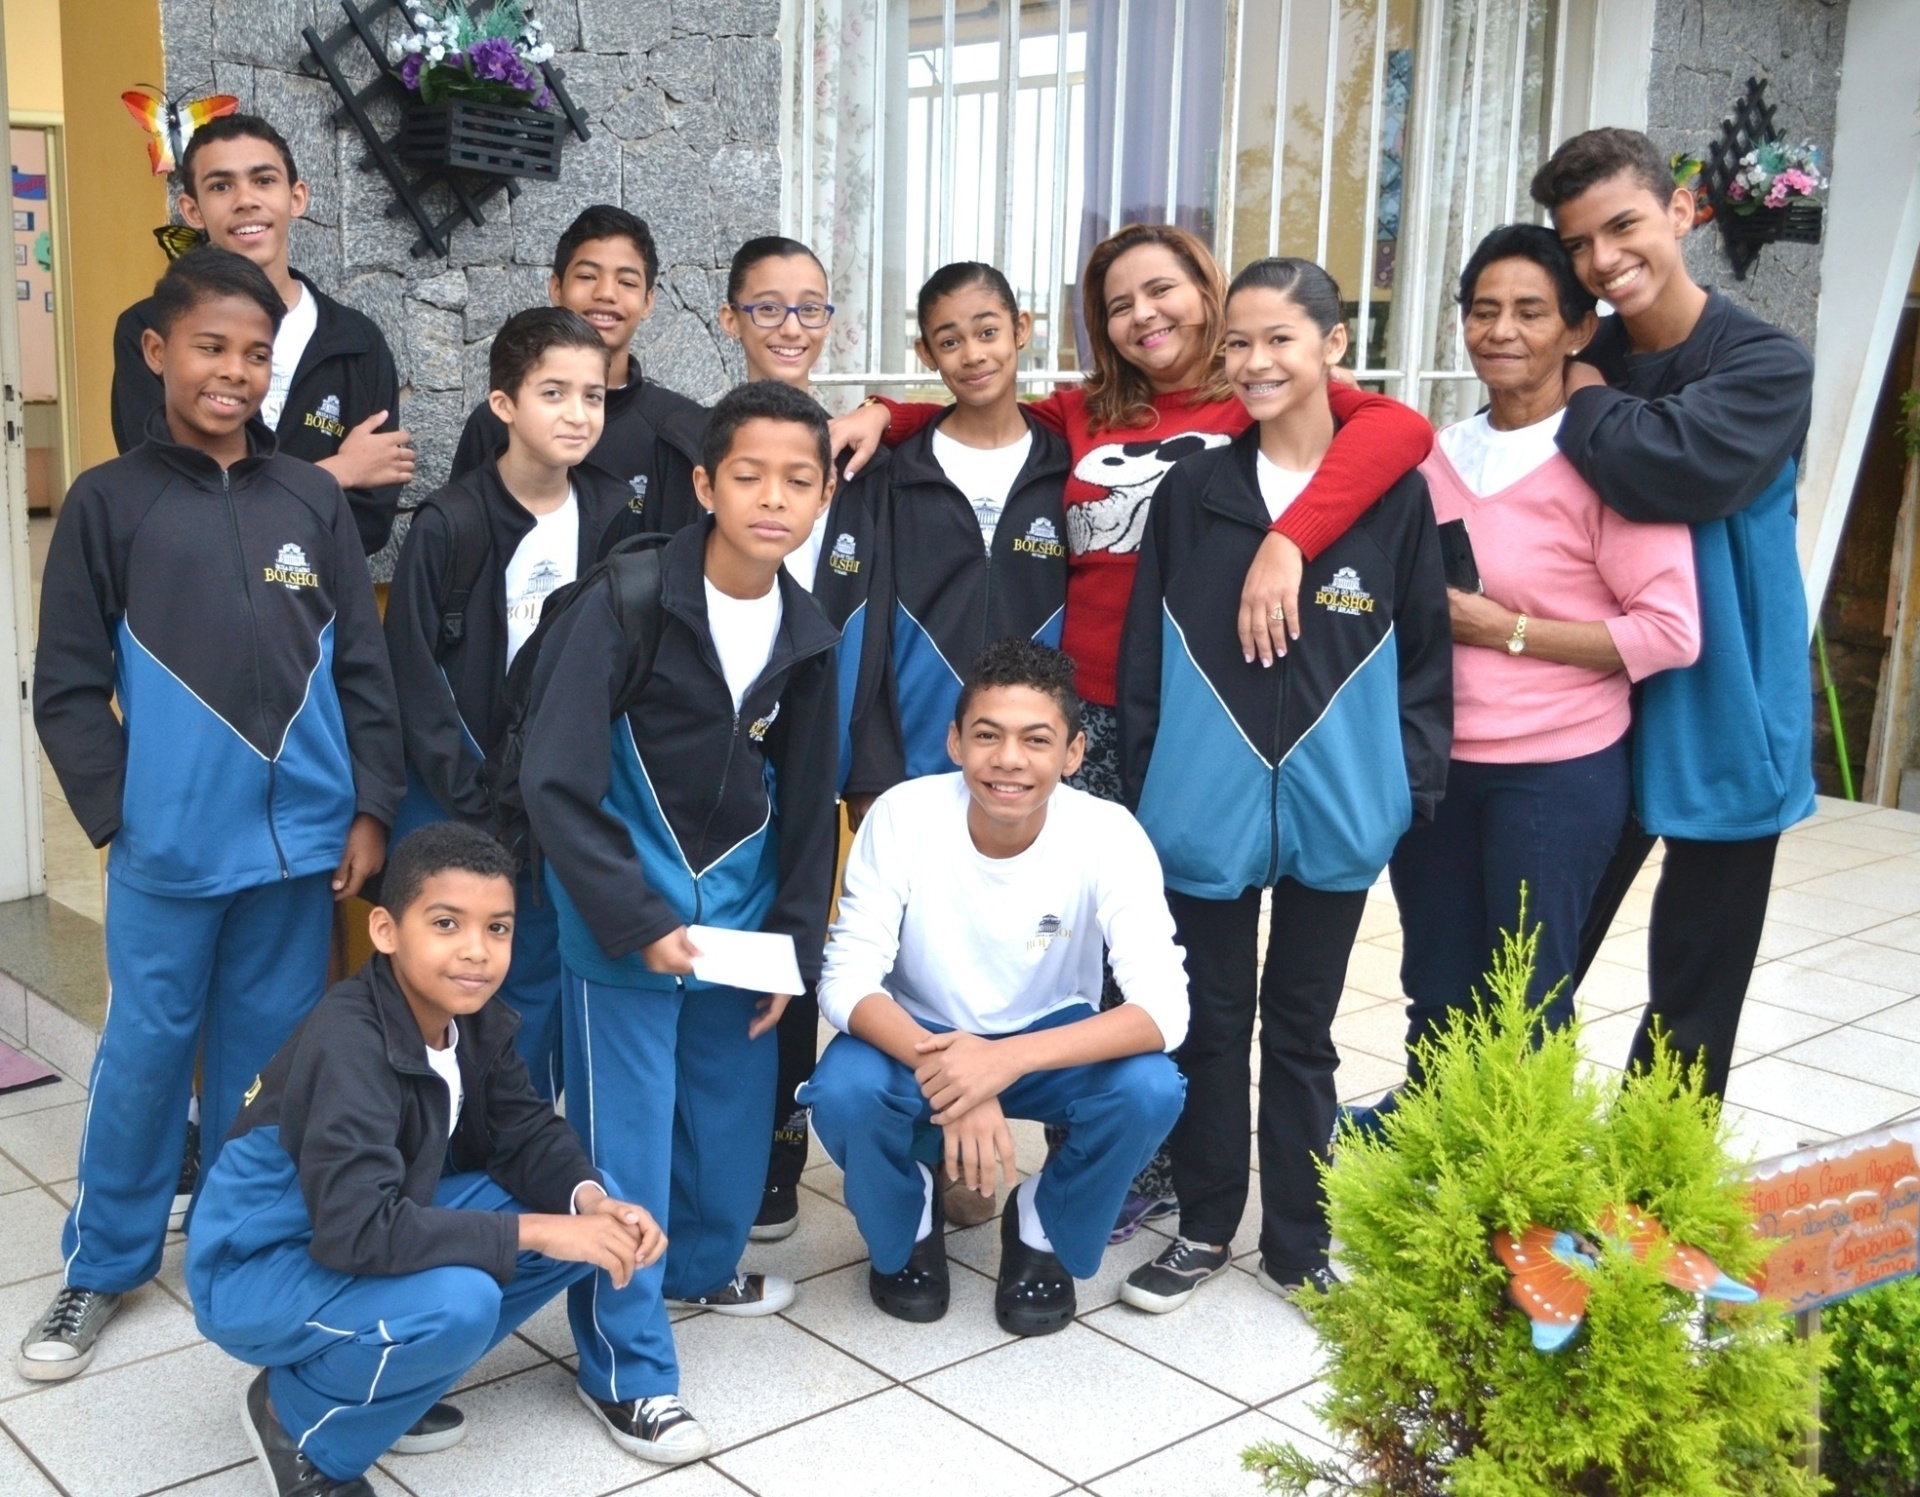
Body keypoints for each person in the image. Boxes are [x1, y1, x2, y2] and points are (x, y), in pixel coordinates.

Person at [832, 222, 1433, 1238]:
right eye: (1117, 304)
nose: (1144, 315)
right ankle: (1099, 1158)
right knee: (1084, 938)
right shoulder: (1084, 412)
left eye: (1163, 291)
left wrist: (1289, 541)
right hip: (1087, 708)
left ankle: (1147, 1164)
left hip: (1211, 715)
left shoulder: (1257, 395)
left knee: (1163, 955)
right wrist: (885, 411)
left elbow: (1398, 434)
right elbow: (981, 402)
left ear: (1209, 294)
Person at [22, 247, 403, 1383]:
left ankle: (244, 1247)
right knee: (145, 1058)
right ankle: (103, 1262)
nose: (232, 372)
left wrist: (370, 805)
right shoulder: (108, 502)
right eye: (209, 348)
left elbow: (363, 670)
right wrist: (121, 814)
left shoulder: (308, 496)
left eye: (253, 353)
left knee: (268, 1069)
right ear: (158, 352)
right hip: (171, 855)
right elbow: (67, 686)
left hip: (298, 854)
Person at [1116, 258, 1451, 1313]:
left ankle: (1299, 1241)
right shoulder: (1193, 494)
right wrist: (1150, 783)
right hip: (1201, 809)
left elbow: (1428, 657)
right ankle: (1208, 1225)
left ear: (1333, 349)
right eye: (1241, 346)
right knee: (1210, 1021)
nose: (1257, 364)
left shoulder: (1391, 500)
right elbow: (1143, 655)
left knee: (1302, 1028)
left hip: (1341, 811)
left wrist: (1406, 789)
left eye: (1282, 341)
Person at [520, 380, 843, 1462]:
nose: (772, 497)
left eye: (798, 479)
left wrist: (792, 947)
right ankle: (626, 1365)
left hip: (741, 923)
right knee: (624, 1161)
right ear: (705, 483)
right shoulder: (632, 597)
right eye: (747, 474)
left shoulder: (809, 629)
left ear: (823, 493)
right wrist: (633, 915)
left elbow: (809, 801)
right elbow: (555, 780)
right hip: (622, 929)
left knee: (726, 1138)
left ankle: (701, 1272)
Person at [187, 823, 665, 1497]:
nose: (476, 951)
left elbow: (523, 1130)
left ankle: (388, 1385)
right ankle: (296, 1420)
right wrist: (543, 1230)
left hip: (353, 1228)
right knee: (459, 1301)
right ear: (385, 929)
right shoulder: (349, 1042)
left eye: (497, 928)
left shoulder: (469, 1013)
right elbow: (357, 1229)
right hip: (256, 1268)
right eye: (446, 923)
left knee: (579, 1204)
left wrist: (590, 1200)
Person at [1357, 225, 1700, 1128]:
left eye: (1531, 311)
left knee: (1527, 995)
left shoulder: (1612, 461)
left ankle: (1517, 1184)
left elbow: (1668, 631)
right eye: (1484, 310)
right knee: (1434, 977)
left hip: (1556, 770)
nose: (1502, 330)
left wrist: (1503, 629)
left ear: (1580, 330)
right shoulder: (1429, 456)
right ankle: (1428, 1141)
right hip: (1433, 764)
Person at [1535, 129, 1816, 1099]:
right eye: (1579, 244)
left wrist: (1578, 393)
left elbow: (1675, 471)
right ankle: (1497, 1152)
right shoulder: (1594, 353)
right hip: (1597, 697)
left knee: (1694, 990)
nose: (1605, 261)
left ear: (1682, 211)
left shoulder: (1767, 365)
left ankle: (1656, 1188)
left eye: (1623, 226)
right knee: (1534, 960)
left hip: (1728, 710)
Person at [804, 637, 1189, 1335]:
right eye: (987, 734)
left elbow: (1165, 1009)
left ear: (1072, 753)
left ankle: (1042, 1224)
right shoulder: (902, 815)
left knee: (1152, 1085)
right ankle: (910, 1216)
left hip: (1045, 1037)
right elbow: (846, 978)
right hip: (919, 1032)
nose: (1009, 759)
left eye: (1036, 739)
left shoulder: (1108, 832)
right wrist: (952, 1068)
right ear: (955, 741)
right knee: (843, 1088)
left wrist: (999, 1063)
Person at [385, 307, 641, 1100]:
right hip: (460, 801)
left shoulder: (614, 514)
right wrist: (479, 794)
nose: (576, 414)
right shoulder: (449, 524)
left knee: (540, 982)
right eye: (553, 392)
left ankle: (529, 1153)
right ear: (503, 405)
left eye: (592, 396)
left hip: (562, 802)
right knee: (450, 983)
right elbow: (415, 680)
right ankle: (437, 1153)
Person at [717, 234, 893, 1245]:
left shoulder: (867, 462)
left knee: (806, 944)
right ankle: (720, 1151)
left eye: (811, 309)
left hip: (827, 763)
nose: (791, 328)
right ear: (732, 315)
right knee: (733, 949)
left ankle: (783, 1157)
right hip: (722, 762)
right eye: (769, 307)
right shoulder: (707, 444)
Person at [110, 114, 413, 556]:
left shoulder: (356, 341)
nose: (245, 200)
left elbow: (368, 524)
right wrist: (339, 471)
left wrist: (239, 504)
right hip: (191, 603)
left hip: (317, 609)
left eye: (263, 180)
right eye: (220, 186)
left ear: (297, 197)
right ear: (192, 210)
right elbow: (161, 496)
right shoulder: (152, 328)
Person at [858, 262, 1071, 788]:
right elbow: (867, 631)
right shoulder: (895, 473)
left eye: (988, 332)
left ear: (1020, 328)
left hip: (1031, 769)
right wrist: (869, 770)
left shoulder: (1067, 468)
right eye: (949, 342)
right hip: (914, 761)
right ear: (926, 354)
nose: (973, 354)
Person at [451, 205, 708, 537]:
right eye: (587, 276)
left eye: (627, 282)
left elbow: (682, 561)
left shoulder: (678, 427)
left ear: (648, 302)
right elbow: (463, 539)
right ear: (556, 288)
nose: (605, 293)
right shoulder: (499, 419)